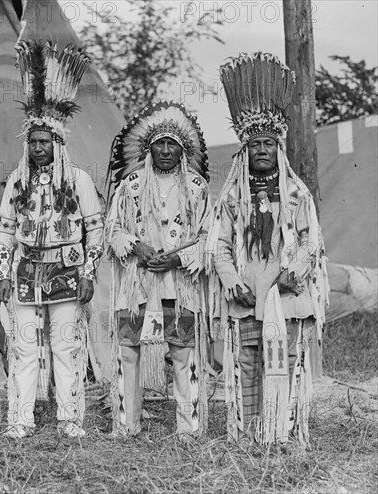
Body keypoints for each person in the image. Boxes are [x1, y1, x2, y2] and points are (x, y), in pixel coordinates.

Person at [206, 53, 329, 447]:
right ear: (244, 150)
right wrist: (230, 280)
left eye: (268, 143)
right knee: (246, 364)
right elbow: (220, 246)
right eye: (254, 143)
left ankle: (285, 430)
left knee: (287, 361)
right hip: (245, 294)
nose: (261, 149)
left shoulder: (295, 194)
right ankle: (249, 431)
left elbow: (312, 240)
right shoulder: (232, 198)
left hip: (287, 295)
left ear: (278, 148)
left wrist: (298, 270)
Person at [0, 40, 104, 439]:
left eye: (46, 142)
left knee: (65, 347)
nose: (39, 148)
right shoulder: (18, 180)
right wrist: (4, 271)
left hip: (67, 270)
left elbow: (95, 229)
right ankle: (20, 420)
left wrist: (89, 272)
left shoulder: (79, 181)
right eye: (34, 142)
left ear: (58, 144)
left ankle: (71, 419)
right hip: (26, 272)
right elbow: (5, 227)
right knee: (23, 348)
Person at [106, 101, 211, 438]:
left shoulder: (197, 188)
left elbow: (209, 236)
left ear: (183, 149)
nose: (166, 150)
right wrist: (137, 247)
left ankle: (189, 429)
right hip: (137, 283)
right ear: (149, 147)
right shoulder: (131, 185)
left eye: (172, 144)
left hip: (178, 287)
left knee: (182, 352)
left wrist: (178, 259)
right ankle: (127, 425)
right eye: (160, 143)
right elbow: (113, 229)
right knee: (128, 350)